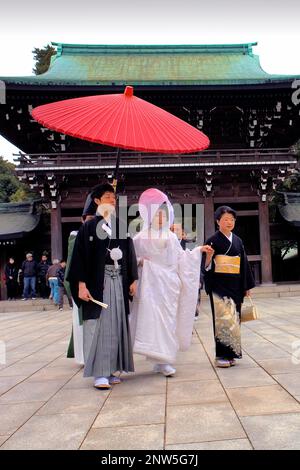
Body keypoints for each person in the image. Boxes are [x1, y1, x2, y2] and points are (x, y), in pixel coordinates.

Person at [130, 188, 214, 377]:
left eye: (163, 215)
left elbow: (181, 258)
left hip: (168, 284)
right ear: (149, 216)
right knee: (152, 320)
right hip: (149, 285)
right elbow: (131, 259)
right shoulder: (139, 238)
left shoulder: (171, 237)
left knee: (167, 321)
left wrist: (198, 250)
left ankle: (164, 360)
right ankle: (157, 358)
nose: (161, 218)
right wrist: (141, 262)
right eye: (157, 215)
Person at [67, 183, 138, 390]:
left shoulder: (120, 226)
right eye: (108, 197)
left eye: (114, 198)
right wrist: (81, 285)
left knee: (116, 323)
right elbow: (79, 259)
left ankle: (112, 368)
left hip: (119, 280)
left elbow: (130, 254)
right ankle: (99, 372)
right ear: (97, 201)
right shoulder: (88, 227)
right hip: (98, 283)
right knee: (99, 326)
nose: (112, 201)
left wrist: (133, 279)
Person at [204, 206, 255, 368]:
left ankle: (231, 354)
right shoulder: (212, 240)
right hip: (219, 285)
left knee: (234, 319)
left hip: (236, 285)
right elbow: (205, 266)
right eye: (225, 219)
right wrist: (209, 257)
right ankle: (221, 356)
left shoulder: (238, 240)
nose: (229, 222)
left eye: (232, 220)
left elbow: (244, 264)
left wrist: (246, 286)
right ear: (218, 221)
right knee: (222, 320)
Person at [65, 193, 97, 366]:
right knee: (83, 324)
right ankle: (85, 357)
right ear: (83, 219)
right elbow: (71, 267)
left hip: (99, 287)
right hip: (82, 287)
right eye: (90, 218)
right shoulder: (76, 237)